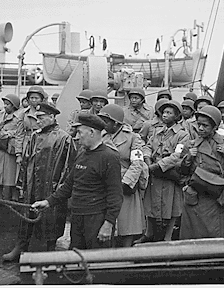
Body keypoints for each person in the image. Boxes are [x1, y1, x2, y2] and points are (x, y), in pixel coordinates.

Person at [32, 113, 123, 250]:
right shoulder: (82, 153)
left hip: (96, 219)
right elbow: (69, 185)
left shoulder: (109, 157)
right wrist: (48, 202)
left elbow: (115, 195)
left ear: (92, 132)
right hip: (78, 217)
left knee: (96, 263)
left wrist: (108, 224)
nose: (77, 136)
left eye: (80, 132)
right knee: (76, 260)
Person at [2, 103, 77, 261]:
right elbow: (26, 161)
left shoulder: (64, 138)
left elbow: (68, 169)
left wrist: (60, 191)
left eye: (42, 118)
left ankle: (50, 249)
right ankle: (21, 246)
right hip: (32, 185)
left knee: (52, 219)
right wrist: (21, 184)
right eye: (37, 118)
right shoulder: (34, 136)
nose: (38, 121)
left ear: (52, 117)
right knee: (27, 214)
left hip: (52, 186)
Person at [179, 106, 224, 240]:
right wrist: (188, 158)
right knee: (195, 238)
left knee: (223, 238)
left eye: (205, 126)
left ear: (215, 127)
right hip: (197, 197)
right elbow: (181, 172)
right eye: (199, 125)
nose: (200, 129)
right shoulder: (191, 145)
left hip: (219, 196)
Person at [137, 100, 189, 243]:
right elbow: (148, 146)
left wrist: (159, 165)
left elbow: (177, 155)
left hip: (170, 173)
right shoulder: (156, 131)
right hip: (154, 172)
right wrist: (147, 159)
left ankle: (168, 236)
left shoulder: (182, 134)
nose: (165, 115)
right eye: (164, 112)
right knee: (150, 203)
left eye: (169, 113)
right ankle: (149, 233)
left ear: (177, 116)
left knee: (172, 205)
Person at [98, 104, 148, 247]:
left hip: (125, 184)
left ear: (116, 123)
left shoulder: (133, 138)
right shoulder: (101, 136)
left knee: (127, 224)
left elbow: (137, 162)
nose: (103, 124)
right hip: (105, 183)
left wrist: (126, 182)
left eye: (106, 121)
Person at [0, 94, 21, 201]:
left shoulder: (19, 117)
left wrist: (8, 133)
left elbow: (20, 131)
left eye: (8, 104)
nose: (5, 106)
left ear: (14, 106)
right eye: (4, 104)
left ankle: (14, 194)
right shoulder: (1, 114)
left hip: (10, 147)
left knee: (11, 173)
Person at [15, 86, 46, 164]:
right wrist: (18, 154)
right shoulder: (23, 113)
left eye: (36, 98)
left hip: (43, 143)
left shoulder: (47, 113)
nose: (34, 100)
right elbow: (19, 134)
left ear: (42, 99)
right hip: (28, 145)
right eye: (31, 98)